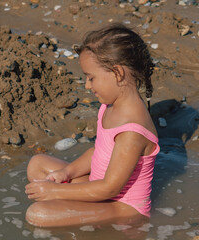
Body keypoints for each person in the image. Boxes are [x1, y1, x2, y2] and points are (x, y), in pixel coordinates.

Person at [25, 23, 160, 227]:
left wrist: (55, 191)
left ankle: (82, 220)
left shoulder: (132, 131)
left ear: (117, 73)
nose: (87, 85)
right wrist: (67, 172)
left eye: (91, 78)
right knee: (37, 165)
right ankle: (75, 214)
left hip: (122, 207)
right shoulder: (110, 105)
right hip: (98, 187)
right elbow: (97, 152)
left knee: (38, 214)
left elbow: (110, 189)